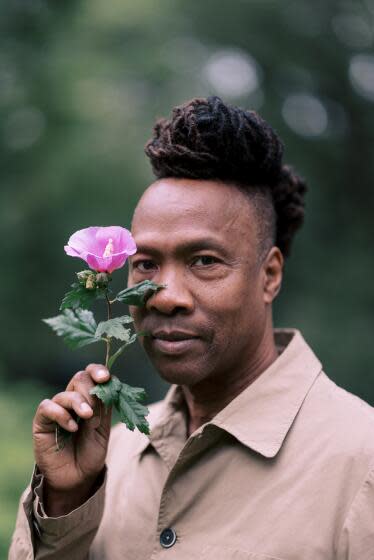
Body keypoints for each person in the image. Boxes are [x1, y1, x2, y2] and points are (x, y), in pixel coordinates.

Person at [9, 96, 374, 560]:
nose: (165, 295)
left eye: (204, 261)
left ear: (270, 276)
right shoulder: (109, 458)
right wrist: (65, 506)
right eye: (145, 264)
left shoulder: (361, 465)